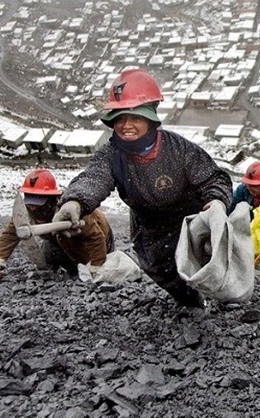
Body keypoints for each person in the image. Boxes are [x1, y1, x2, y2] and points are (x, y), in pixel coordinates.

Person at [52, 68, 233, 308]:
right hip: (150, 228)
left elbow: (213, 179)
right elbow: (94, 178)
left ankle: (223, 299)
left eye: (135, 117)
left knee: (209, 264)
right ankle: (191, 303)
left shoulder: (179, 149)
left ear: (150, 119)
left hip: (192, 219)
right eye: (119, 118)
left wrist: (217, 203)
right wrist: (74, 202)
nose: (126, 125)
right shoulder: (112, 155)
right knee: (162, 272)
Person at [0, 169, 114, 279]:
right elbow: (11, 233)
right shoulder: (25, 211)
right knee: (48, 256)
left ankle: (81, 266)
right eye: (30, 205)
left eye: (39, 205)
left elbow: (96, 237)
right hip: (57, 239)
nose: (34, 209)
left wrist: (96, 268)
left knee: (86, 264)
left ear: (52, 199)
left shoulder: (73, 209)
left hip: (97, 239)